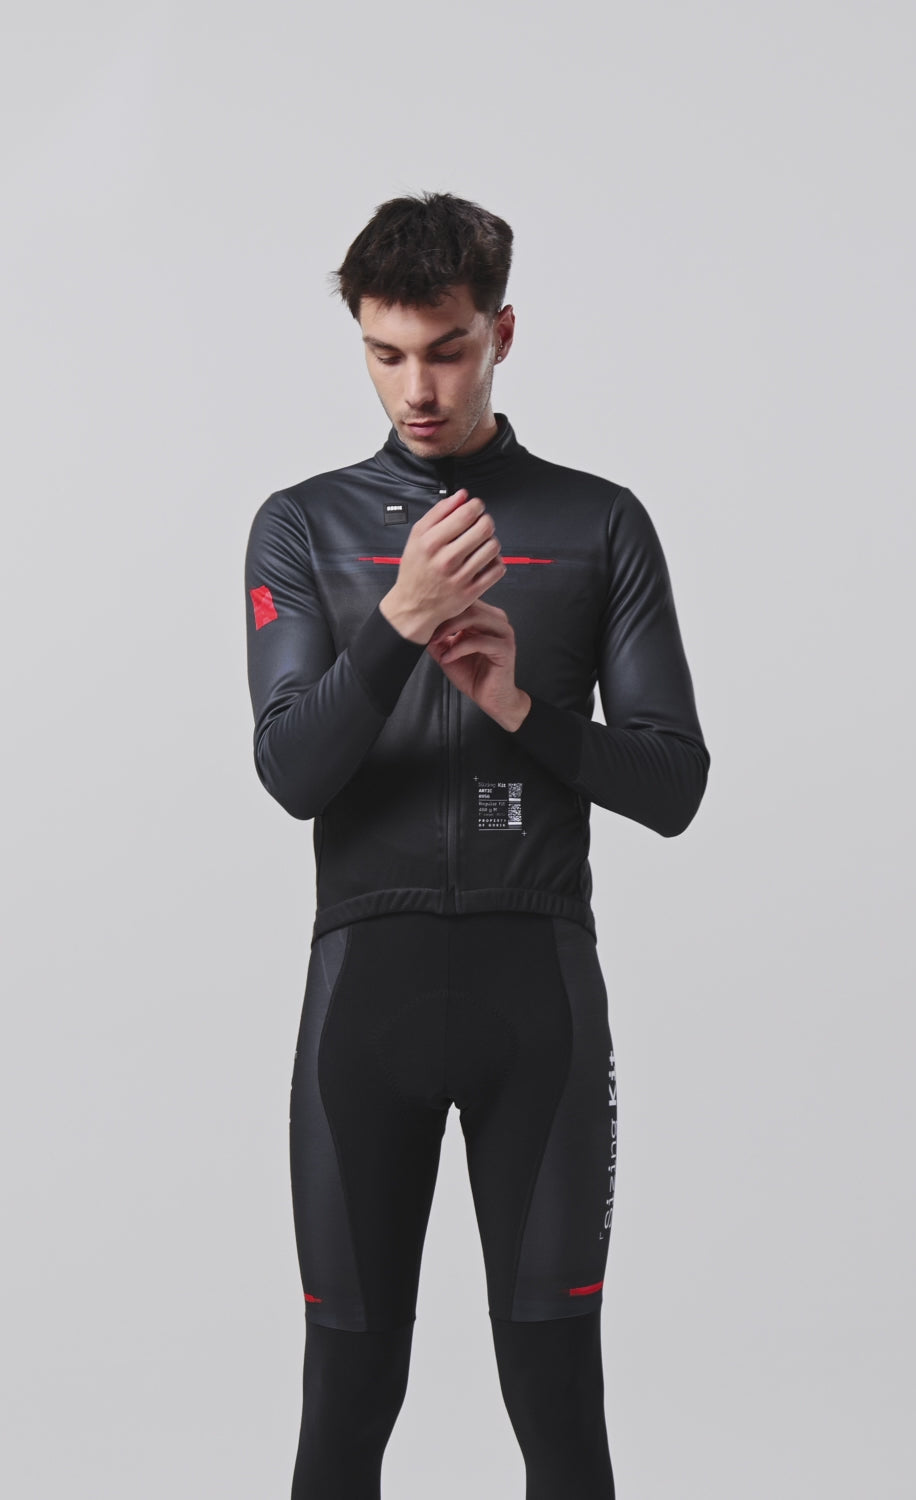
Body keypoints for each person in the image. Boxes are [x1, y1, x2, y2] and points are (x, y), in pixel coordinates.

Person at [244, 190, 710, 1499]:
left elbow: (674, 783)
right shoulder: (305, 526)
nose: (419, 388)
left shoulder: (597, 522)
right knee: (346, 1408)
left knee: (558, 1412)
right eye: (386, 353)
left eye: (447, 349)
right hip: (364, 1008)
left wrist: (520, 710)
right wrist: (398, 622)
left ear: (501, 332)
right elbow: (292, 772)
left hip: (536, 1006)